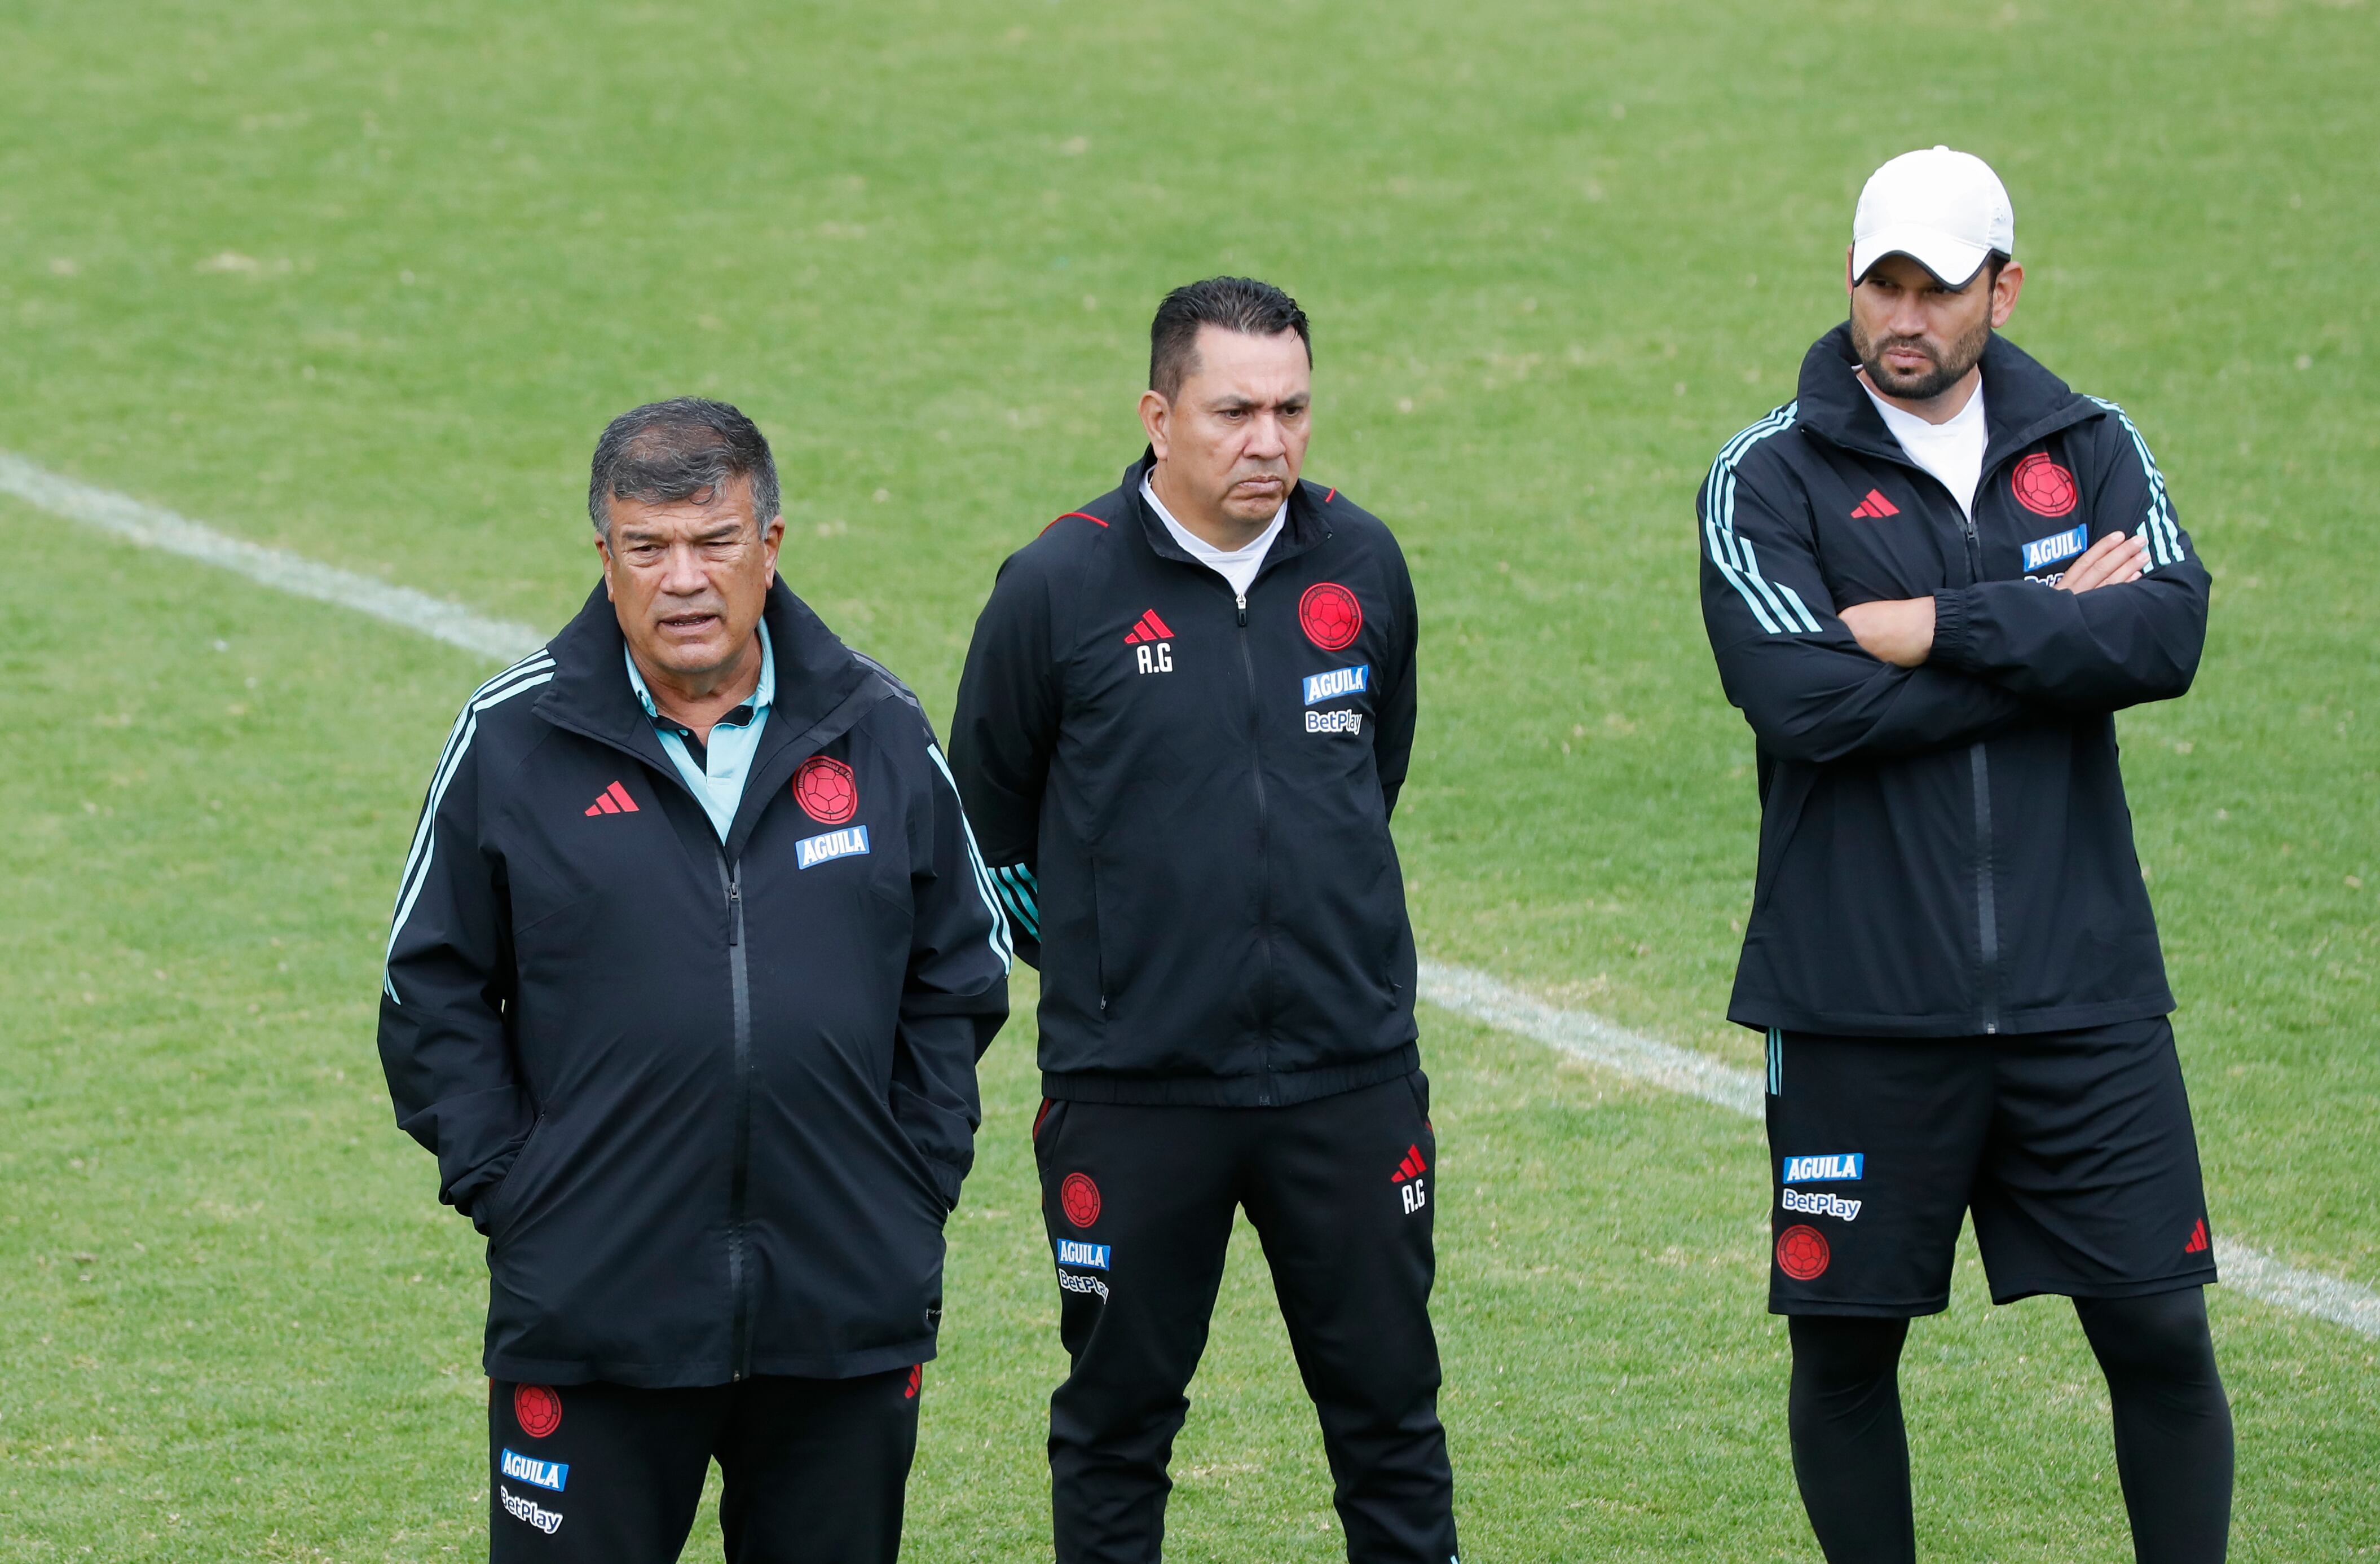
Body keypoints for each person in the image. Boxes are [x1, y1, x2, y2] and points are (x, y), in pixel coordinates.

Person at [1695, 147, 2232, 1562]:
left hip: (2083, 997)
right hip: (1859, 1006)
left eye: (1937, 286)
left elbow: (2164, 635)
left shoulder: (2092, 443)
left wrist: (1935, 621)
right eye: (1882, 283)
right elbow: (1803, 699)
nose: (1904, 316)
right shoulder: (1765, 475)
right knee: (1847, 1352)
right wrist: (2053, 627)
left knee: (2160, 1330)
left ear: (2003, 286)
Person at [376, 397, 1011, 1563]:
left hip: (841, 1306)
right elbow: (430, 989)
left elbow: (958, 970)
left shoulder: (878, 728)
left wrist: (911, 1174)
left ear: (769, 546)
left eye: (714, 542)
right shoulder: (511, 742)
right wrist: (521, 1193)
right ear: (604, 557)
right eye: (647, 547)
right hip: (593, 1308)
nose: (683, 579)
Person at [950, 277, 1458, 1564]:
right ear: (1158, 415)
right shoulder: (1058, 585)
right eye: (1234, 411)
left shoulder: (1362, 561)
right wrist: (1120, 965)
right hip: (1134, 1094)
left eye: (1291, 408)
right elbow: (986, 827)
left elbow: (1366, 782)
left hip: (1349, 1083)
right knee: (1117, 1431)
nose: (1269, 442)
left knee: (1391, 1419)